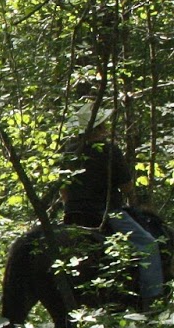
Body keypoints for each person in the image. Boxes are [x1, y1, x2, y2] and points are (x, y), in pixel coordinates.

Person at [60, 101, 163, 307]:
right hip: (105, 212)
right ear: (99, 127)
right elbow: (126, 187)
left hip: (72, 213)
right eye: (104, 124)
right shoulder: (108, 150)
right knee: (148, 244)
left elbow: (63, 191)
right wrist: (136, 208)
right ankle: (153, 299)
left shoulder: (69, 151)